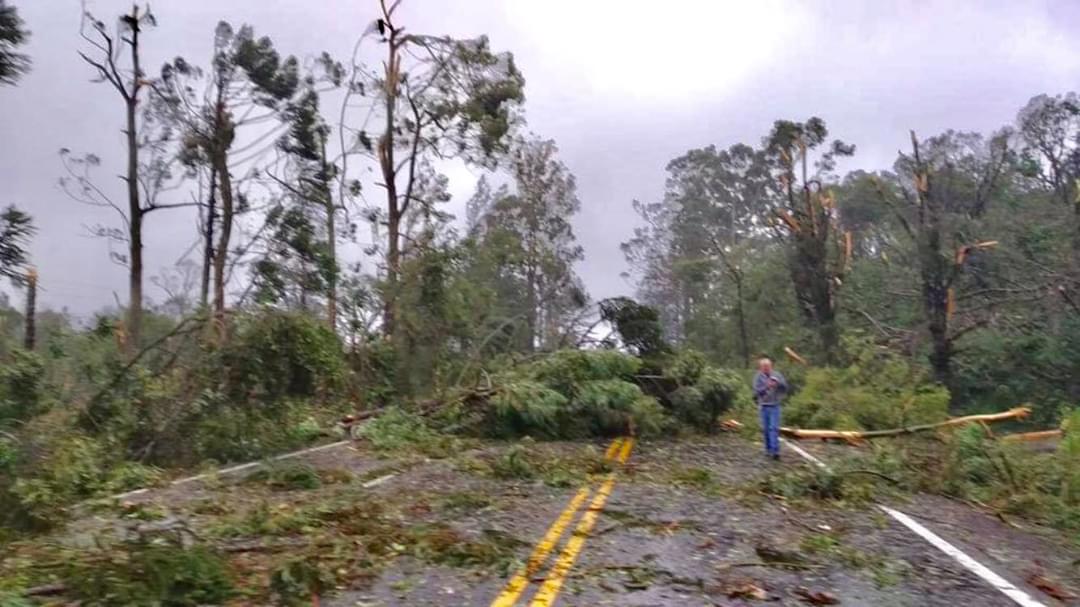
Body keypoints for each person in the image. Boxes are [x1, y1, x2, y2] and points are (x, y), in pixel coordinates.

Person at [753, 357, 788, 460]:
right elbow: (756, 392)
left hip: (775, 405)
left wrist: (778, 384)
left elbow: (785, 387)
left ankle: (775, 451)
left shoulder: (777, 375)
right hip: (764, 406)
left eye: (768, 366)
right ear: (760, 368)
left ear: (771, 366)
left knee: (773, 428)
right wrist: (767, 386)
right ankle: (768, 449)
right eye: (764, 367)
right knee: (766, 429)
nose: (766, 368)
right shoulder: (758, 377)